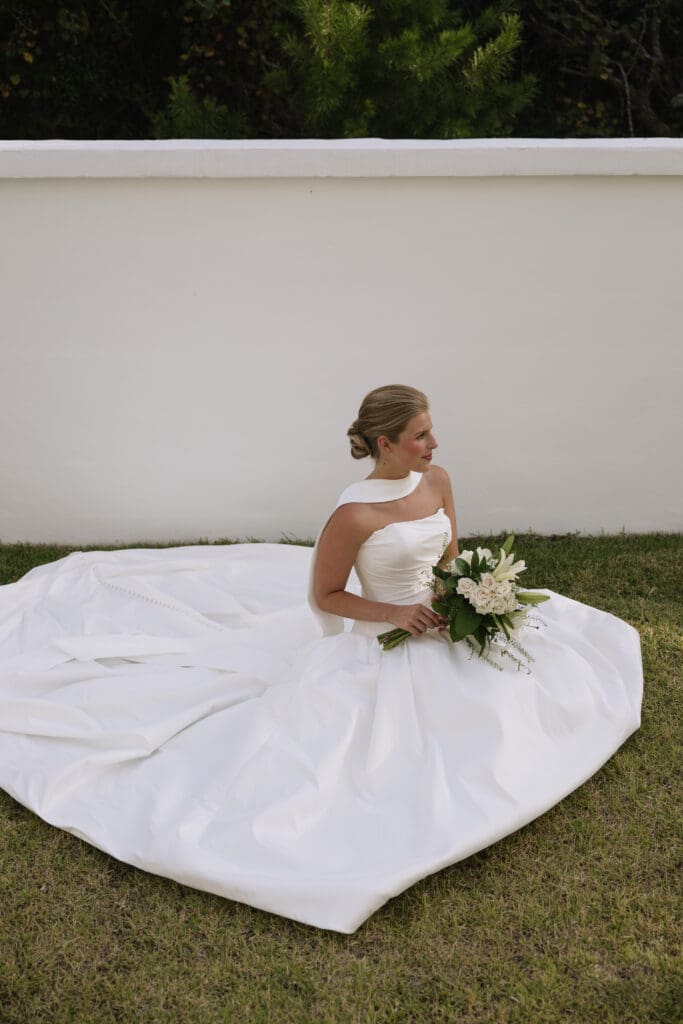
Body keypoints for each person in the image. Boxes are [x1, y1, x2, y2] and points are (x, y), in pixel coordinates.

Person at [0, 385, 644, 934]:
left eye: (432, 431)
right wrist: (395, 613)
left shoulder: (440, 480)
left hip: (441, 613)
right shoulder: (354, 513)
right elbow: (326, 595)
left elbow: (447, 555)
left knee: (531, 683)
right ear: (386, 442)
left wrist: (461, 593)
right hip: (384, 629)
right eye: (420, 435)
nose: (434, 444)